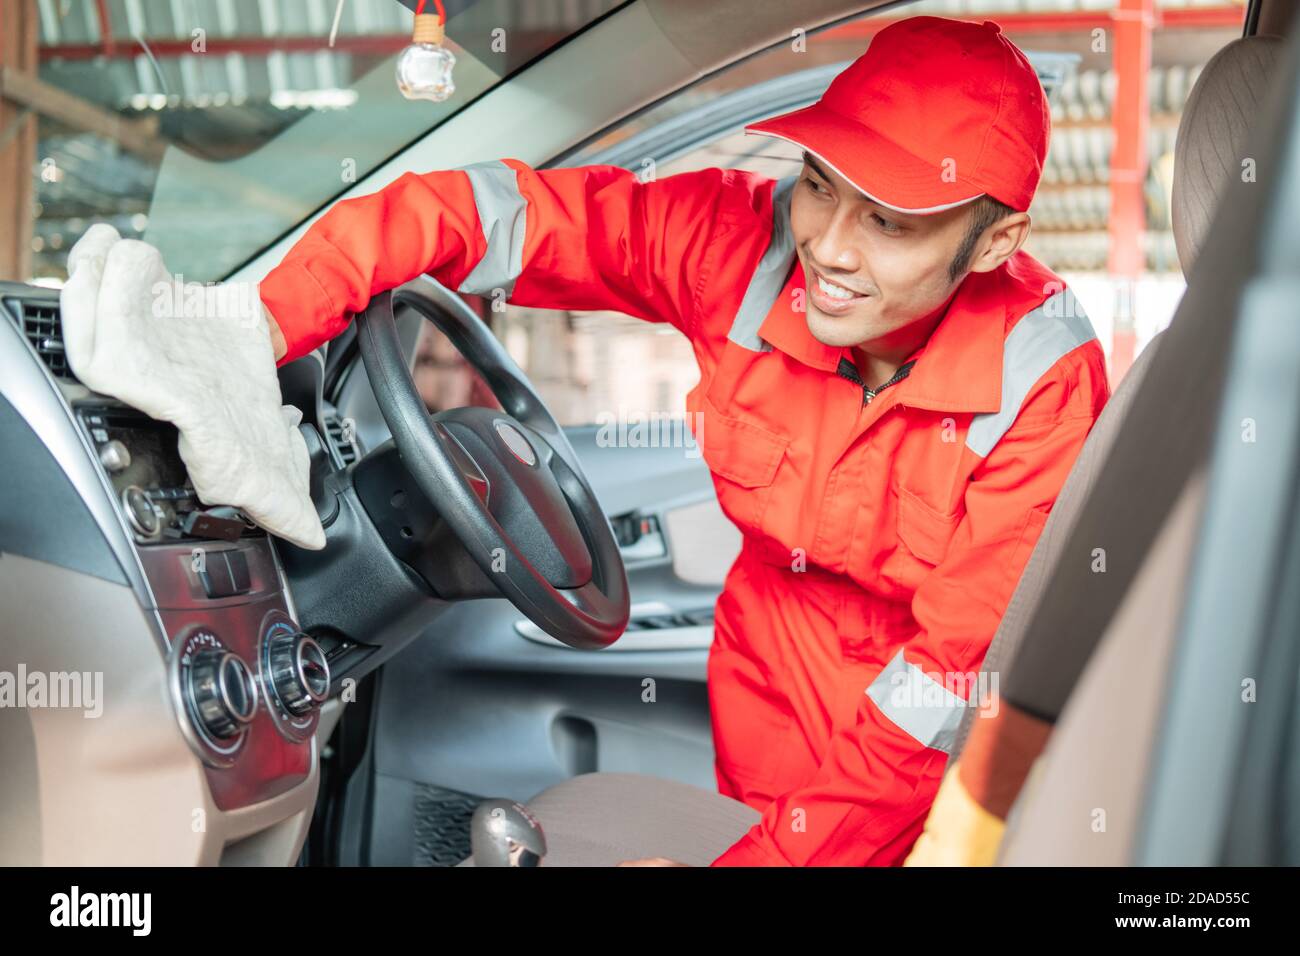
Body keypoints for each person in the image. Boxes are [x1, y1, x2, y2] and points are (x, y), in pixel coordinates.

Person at [258, 15, 1110, 866]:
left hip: (923, 777)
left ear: (995, 241)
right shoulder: (739, 246)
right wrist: (260, 328)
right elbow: (501, 215)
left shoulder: (1043, 383)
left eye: (889, 223)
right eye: (820, 182)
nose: (827, 246)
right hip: (762, 700)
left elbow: (946, 682)